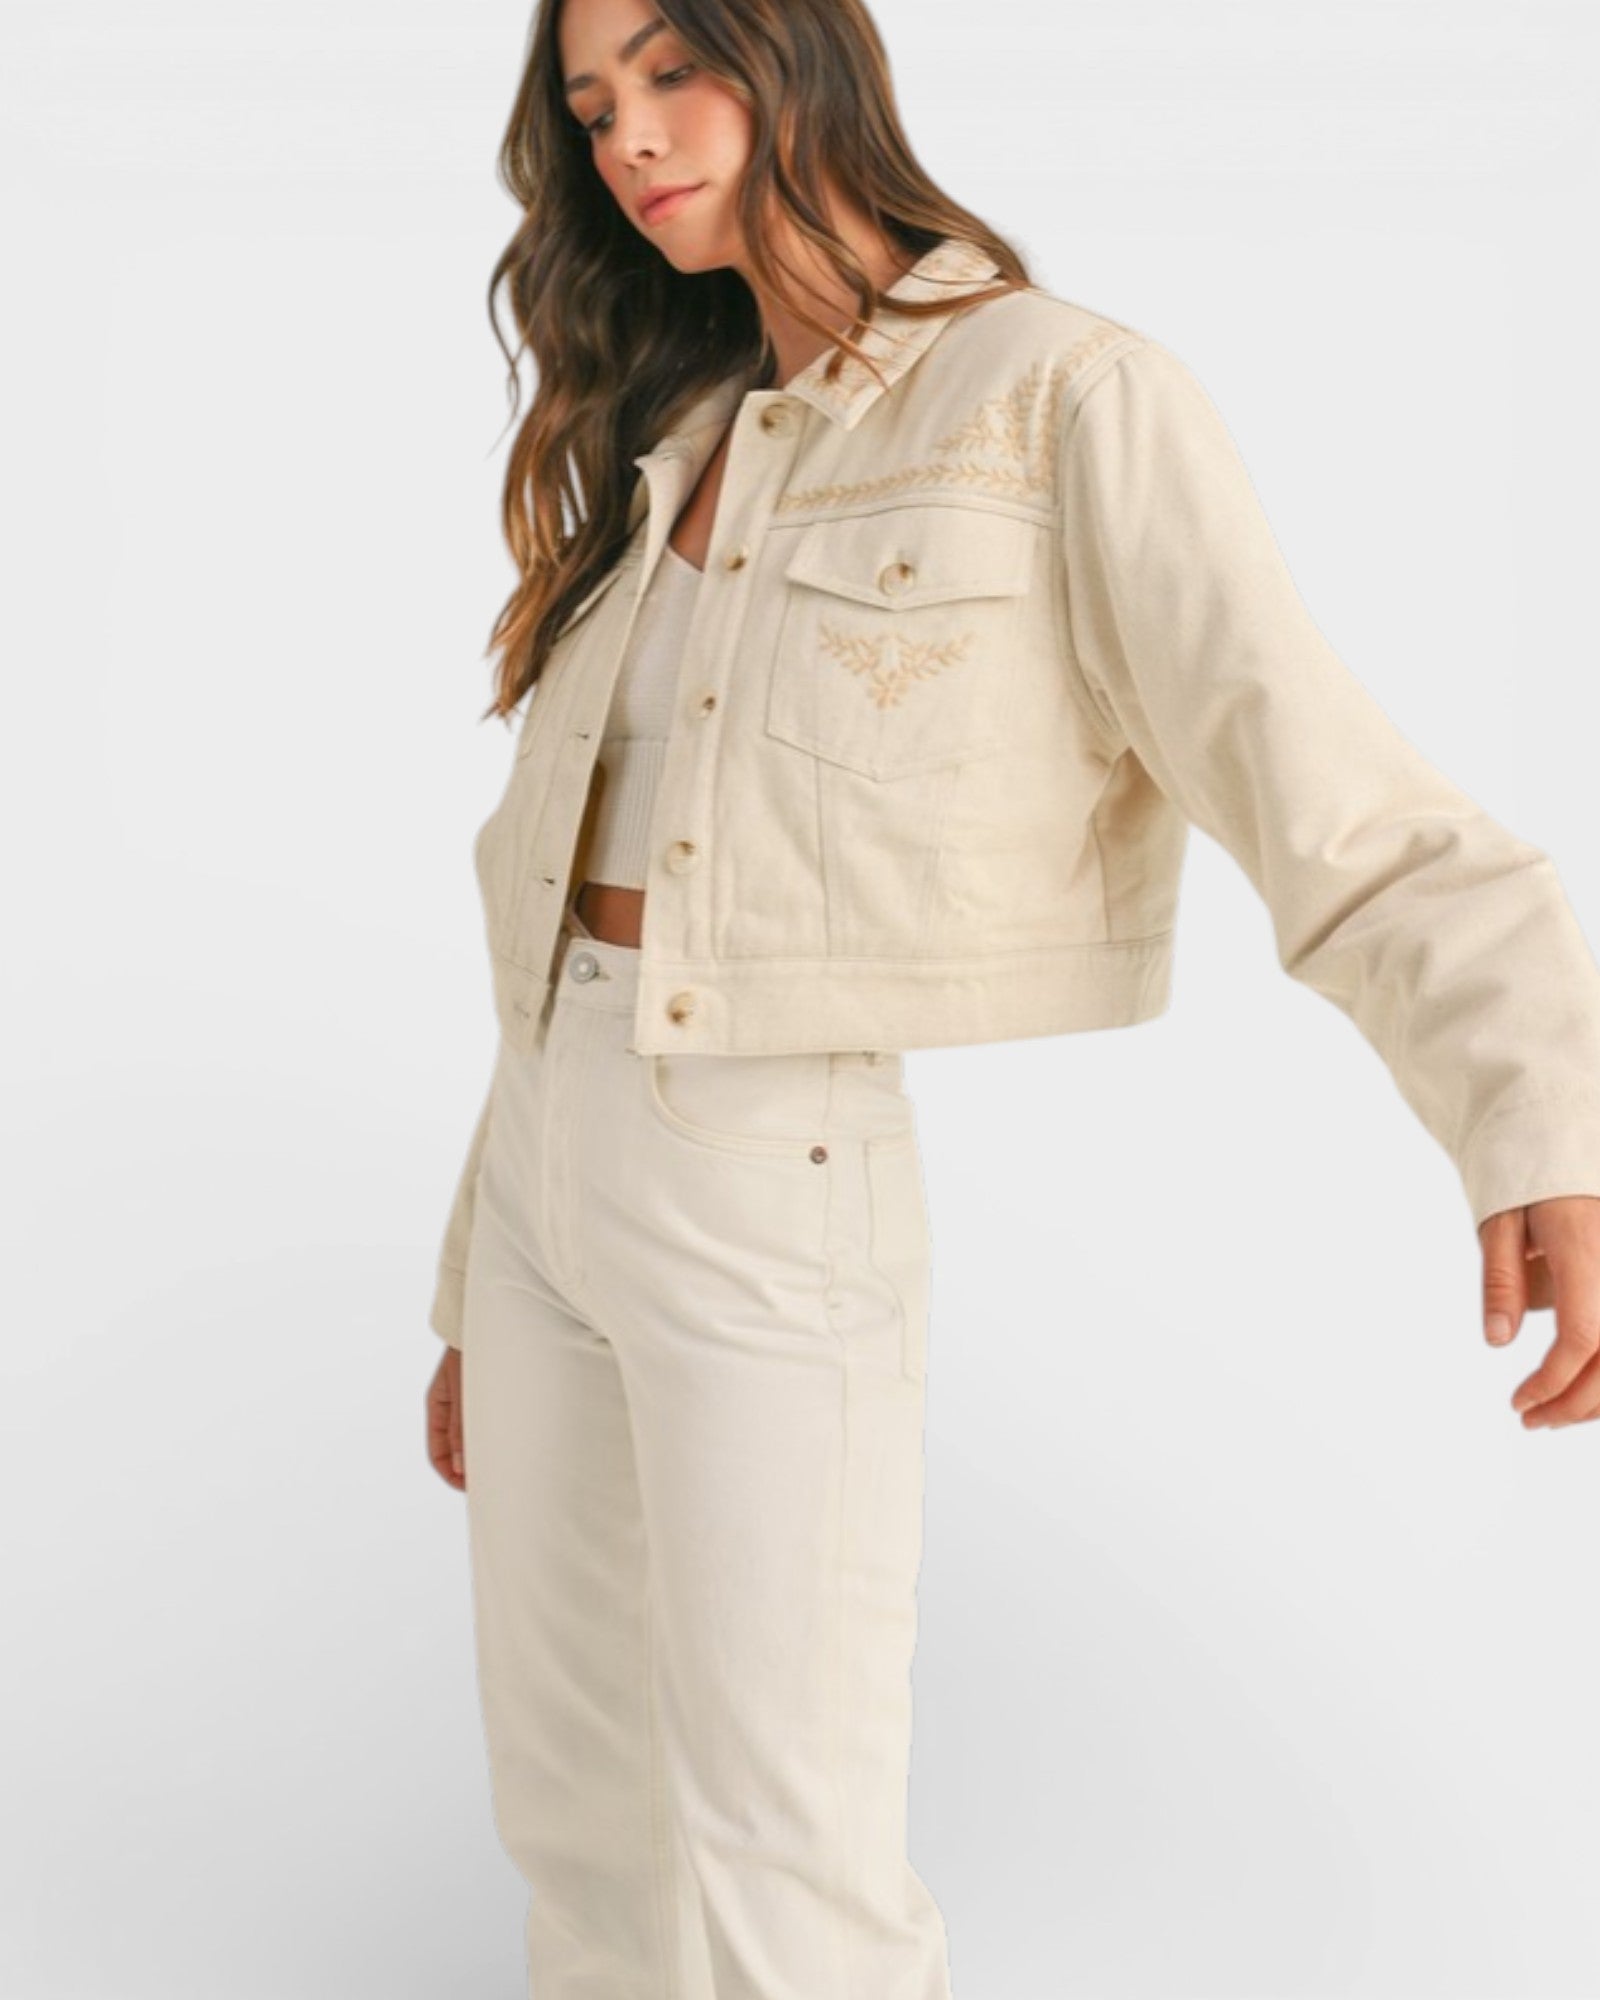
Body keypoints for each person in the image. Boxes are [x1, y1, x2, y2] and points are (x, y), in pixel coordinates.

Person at [422, 0, 1600, 1991]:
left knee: (782, 1851)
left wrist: (1536, 1119)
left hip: (762, 1164)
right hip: (550, 1161)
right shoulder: (681, 437)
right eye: (590, 104)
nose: (628, 137)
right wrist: (481, 1269)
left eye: (668, 70)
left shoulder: (1054, 396)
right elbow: (557, 930)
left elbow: (1325, 789)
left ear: (796, 56)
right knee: (579, 1824)